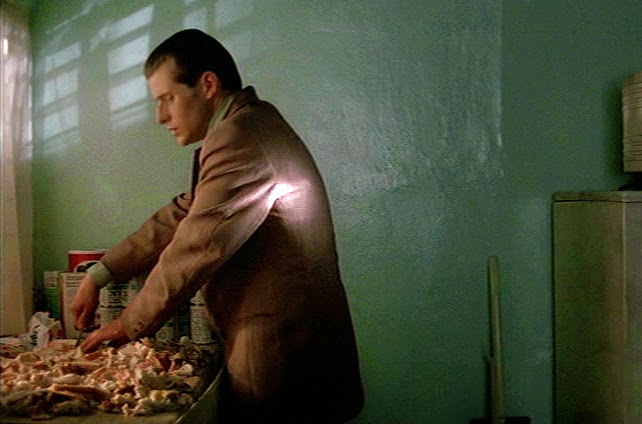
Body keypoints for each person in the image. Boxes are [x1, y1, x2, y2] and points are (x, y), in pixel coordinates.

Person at [71, 29, 364, 423]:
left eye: (167, 99)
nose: (161, 117)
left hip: (282, 348)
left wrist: (128, 324)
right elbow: (181, 215)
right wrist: (100, 274)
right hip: (293, 341)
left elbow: (197, 244)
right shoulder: (252, 125)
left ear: (207, 85)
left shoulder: (239, 135)